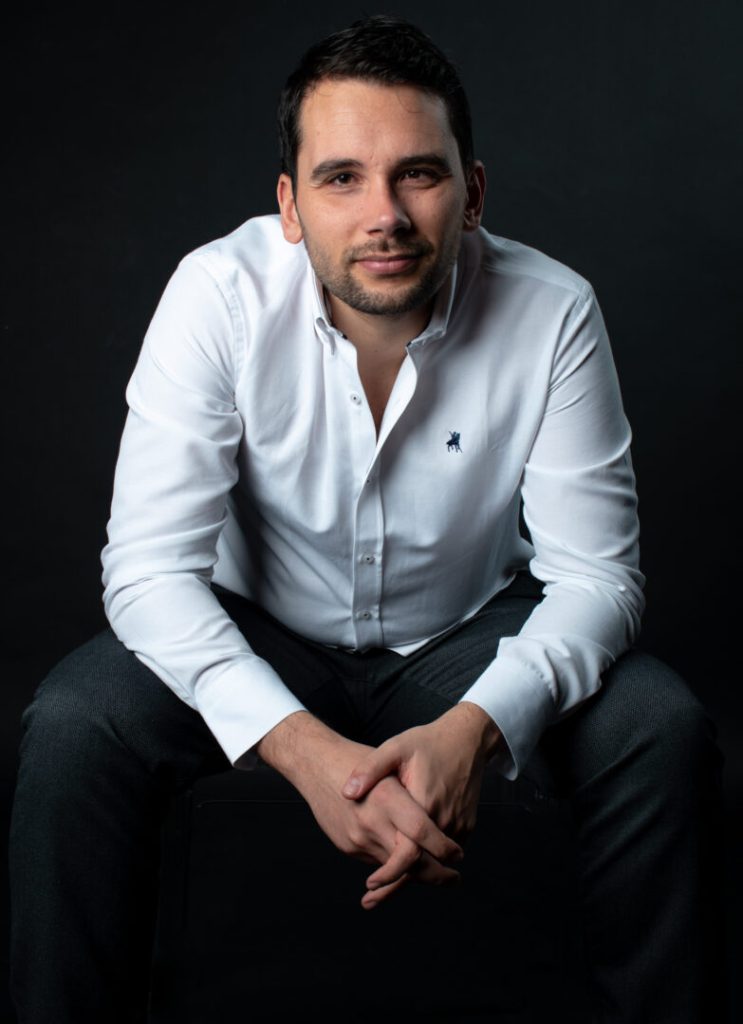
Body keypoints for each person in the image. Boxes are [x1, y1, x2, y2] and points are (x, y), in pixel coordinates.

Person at [9, 14, 724, 1024]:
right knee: (75, 727)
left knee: (659, 727)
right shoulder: (216, 296)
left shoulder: (552, 308)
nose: (382, 214)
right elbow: (148, 571)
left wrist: (475, 730)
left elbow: (597, 579)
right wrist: (302, 748)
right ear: (289, 205)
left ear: (472, 192)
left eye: (417, 174)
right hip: (260, 627)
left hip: (462, 638)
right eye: (340, 177)